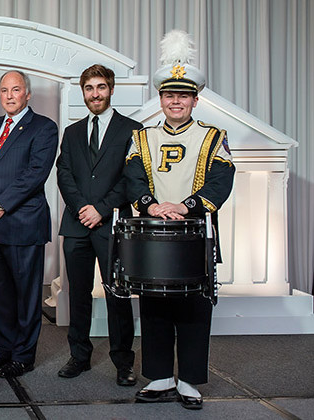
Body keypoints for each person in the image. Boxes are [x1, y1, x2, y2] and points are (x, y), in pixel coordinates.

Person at [124, 30, 234, 410]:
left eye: (183, 95)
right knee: (154, 307)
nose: (176, 101)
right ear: (160, 99)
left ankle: (188, 380)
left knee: (193, 308)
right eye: (170, 95)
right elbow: (133, 176)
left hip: (195, 233)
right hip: (154, 234)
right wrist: (151, 205)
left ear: (194, 99)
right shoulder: (143, 137)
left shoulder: (212, 136)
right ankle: (158, 377)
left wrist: (187, 205)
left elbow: (222, 180)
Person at [56, 64, 142, 386]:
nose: (95, 93)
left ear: (111, 89)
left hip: (112, 225)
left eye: (101, 87)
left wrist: (101, 210)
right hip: (77, 226)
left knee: (117, 295)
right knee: (78, 294)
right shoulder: (73, 132)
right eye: (89, 88)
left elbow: (132, 178)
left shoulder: (132, 130)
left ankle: (123, 362)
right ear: (83, 92)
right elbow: (64, 173)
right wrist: (82, 208)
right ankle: (79, 356)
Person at [0, 70, 58, 378]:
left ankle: (23, 355)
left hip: (22, 223)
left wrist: (0, 205)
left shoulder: (44, 128)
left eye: (15, 89)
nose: (9, 95)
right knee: (1, 295)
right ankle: (4, 350)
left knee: (26, 296)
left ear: (27, 94)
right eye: (4, 90)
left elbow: (35, 175)